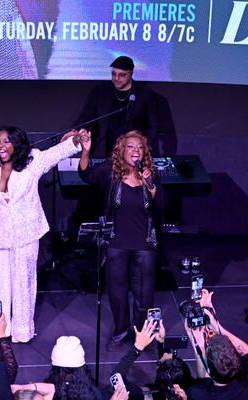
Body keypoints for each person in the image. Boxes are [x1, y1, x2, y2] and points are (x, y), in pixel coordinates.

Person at [0, 127, 82, 343]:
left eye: (7, 141)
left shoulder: (32, 161)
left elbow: (55, 154)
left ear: (17, 144)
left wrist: (76, 141)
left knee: (23, 283)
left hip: (25, 234)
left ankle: (22, 331)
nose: (2, 146)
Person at [78, 130, 166, 351]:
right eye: (130, 146)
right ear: (121, 150)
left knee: (144, 297)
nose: (135, 151)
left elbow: (163, 205)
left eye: (139, 147)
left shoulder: (150, 174)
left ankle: (141, 335)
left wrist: (150, 186)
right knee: (117, 293)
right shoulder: (110, 172)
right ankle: (120, 332)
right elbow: (86, 174)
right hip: (116, 243)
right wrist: (86, 151)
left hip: (145, 245)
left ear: (144, 151)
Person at [73, 56, 159, 158]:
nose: (116, 78)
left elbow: (153, 127)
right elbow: (85, 117)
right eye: (113, 74)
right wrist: (76, 131)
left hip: (132, 154)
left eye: (122, 75)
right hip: (103, 151)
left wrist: (141, 147)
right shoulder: (100, 91)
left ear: (131, 73)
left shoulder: (144, 94)